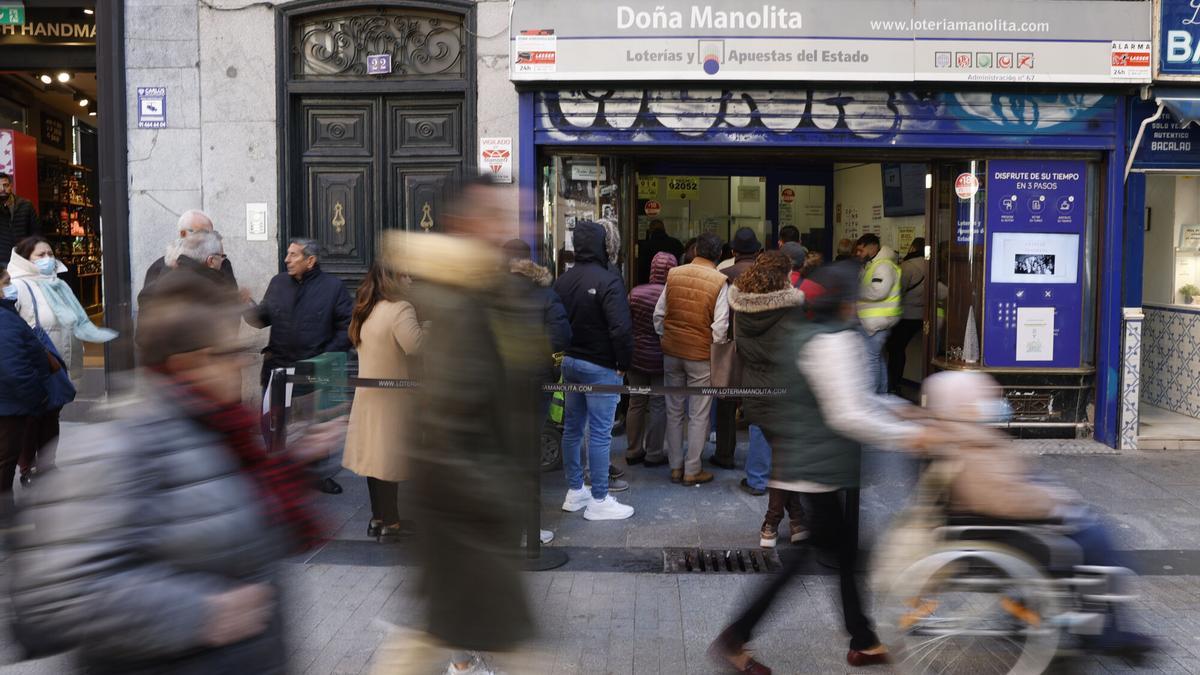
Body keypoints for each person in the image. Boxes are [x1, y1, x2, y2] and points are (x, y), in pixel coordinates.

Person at [9, 269, 342, 673]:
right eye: (226, 353)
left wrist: (293, 466)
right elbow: (61, 594)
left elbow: (236, 527)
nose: (239, 363)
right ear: (189, 364)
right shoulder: (123, 447)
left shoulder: (227, 435)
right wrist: (202, 613)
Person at [709, 260, 935, 673]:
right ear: (845, 302)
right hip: (820, 466)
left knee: (843, 554)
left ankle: (862, 639)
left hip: (811, 460)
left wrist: (901, 412)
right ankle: (736, 637)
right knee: (818, 558)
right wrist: (905, 434)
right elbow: (848, 412)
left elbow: (848, 402)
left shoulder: (806, 332)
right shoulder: (833, 342)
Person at [371, 177, 540, 675]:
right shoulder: (459, 301)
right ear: (462, 224)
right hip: (467, 511)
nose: (509, 225)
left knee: (431, 640)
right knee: (507, 648)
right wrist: (499, 496)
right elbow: (450, 419)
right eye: (495, 215)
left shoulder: (486, 292)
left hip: (473, 506)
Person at [918, 371, 1154, 657]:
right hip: (1013, 532)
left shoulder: (963, 439)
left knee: (1091, 531)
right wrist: (1054, 504)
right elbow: (1003, 500)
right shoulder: (968, 449)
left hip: (1006, 525)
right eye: (981, 400)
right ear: (963, 407)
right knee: (1094, 539)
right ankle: (1104, 634)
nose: (993, 404)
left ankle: (1072, 620)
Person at [8, 237, 114, 484]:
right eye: (40, 255)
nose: (47, 259)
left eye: (50, 253)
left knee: (51, 417)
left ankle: (47, 464)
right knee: (32, 419)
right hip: (34, 366)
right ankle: (28, 468)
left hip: (58, 364)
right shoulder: (18, 285)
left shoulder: (58, 285)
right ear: (26, 259)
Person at [554, 220, 636, 520]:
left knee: (573, 430)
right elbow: (621, 329)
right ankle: (600, 499)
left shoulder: (563, 280)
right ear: (604, 244)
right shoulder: (609, 279)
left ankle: (575, 491)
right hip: (601, 366)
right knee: (600, 434)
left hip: (570, 362)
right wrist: (622, 364)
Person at [727, 252, 808, 543]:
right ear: (782, 275)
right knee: (785, 458)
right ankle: (771, 523)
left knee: (783, 455)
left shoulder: (740, 304)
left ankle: (797, 519)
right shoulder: (792, 307)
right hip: (786, 389)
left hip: (754, 389)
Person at [343, 261, 424, 541]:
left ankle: (378, 518)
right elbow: (415, 346)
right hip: (392, 397)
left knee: (373, 460)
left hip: (368, 396)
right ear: (394, 279)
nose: (411, 279)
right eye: (406, 274)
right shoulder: (400, 308)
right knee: (387, 460)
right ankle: (392, 524)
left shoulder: (368, 307)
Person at [654, 231, 729, 487]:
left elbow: (659, 315)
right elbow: (720, 328)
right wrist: (714, 353)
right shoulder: (719, 281)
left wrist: (667, 338)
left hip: (672, 352)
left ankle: (675, 467)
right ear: (719, 255)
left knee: (673, 410)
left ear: (695, 251)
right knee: (699, 414)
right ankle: (692, 469)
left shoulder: (674, 274)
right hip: (700, 355)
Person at [714, 227, 771, 495]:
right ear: (758, 251)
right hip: (762, 349)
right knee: (759, 408)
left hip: (730, 345)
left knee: (726, 401)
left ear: (733, 251)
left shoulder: (723, 276)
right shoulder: (768, 277)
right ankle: (760, 466)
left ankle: (725, 454)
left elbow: (720, 316)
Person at [0, 265, 51, 517]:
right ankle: (6, 515)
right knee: (5, 460)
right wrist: (37, 395)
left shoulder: (7, 316)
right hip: (9, 405)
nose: (11, 287)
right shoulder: (5, 320)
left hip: (9, 401)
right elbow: (14, 367)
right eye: (6, 282)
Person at [626, 251, 677, 467]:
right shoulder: (672, 294)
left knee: (636, 402)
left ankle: (633, 450)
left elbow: (626, 324)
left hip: (635, 356)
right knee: (658, 403)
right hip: (660, 358)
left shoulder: (635, 293)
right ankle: (654, 453)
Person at [855, 233, 901, 394]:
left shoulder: (883, 266)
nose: (858, 254)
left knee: (870, 360)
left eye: (861, 250)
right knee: (878, 359)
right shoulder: (872, 264)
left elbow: (878, 291)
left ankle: (872, 396)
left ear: (873, 246)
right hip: (873, 322)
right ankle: (882, 394)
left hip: (878, 322)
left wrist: (855, 291)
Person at [143, 209, 237, 289]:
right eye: (204, 233)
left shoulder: (221, 262)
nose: (211, 238)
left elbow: (233, 298)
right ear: (182, 234)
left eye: (211, 233)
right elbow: (148, 304)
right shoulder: (159, 267)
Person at [886, 237, 926, 395]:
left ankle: (893, 383)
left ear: (913, 247)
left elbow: (898, 291)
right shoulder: (932, 264)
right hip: (923, 315)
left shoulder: (907, 266)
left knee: (895, 349)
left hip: (906, 314)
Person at [0, 172, 37, 266]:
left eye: (5, 185)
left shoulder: (26, 205)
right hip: (2, 259)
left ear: (11, 186)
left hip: (23, 257)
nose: (2, 189)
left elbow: (36, 232)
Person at [637, 218, 684, 284]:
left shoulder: (645, 246)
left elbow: (641, 269)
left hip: (649, 283)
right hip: (672, 283)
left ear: (650, 231)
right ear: (664, 229)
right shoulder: (676, 244)